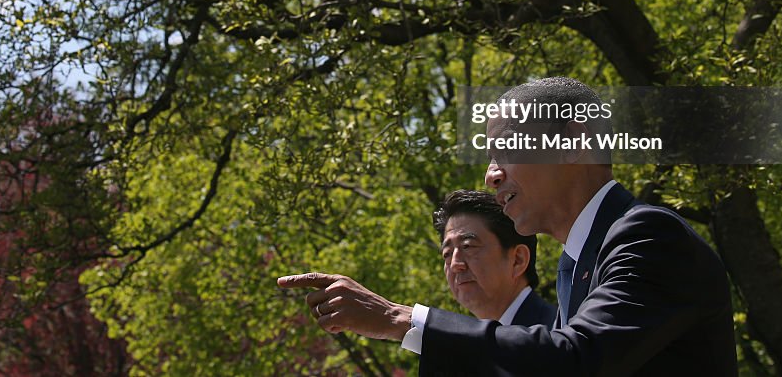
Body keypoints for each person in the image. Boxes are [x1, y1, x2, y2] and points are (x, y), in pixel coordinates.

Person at [278, 76, 738, 376]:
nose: (491, 175)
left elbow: (576, 360)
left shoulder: (649, 236)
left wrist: (401, 320)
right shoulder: (581, 263)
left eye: (506, 150)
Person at [433, 189, 555, 327]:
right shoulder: (470, 345)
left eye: (468, 246)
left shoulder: (557, 337)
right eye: (447, 254)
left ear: (517, 260)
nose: (455, 264)